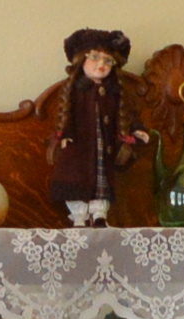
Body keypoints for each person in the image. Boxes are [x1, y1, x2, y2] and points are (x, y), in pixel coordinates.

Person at [46, 27, 142, 225]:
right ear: (81, 59)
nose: (101, 65)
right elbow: (66, 115)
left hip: (104, 149)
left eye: (108, 60)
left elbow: (126, 115)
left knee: (102, 181)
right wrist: (65, 134)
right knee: (76, 182)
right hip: (78, 148)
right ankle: (79, 217)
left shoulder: (116, 93)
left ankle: (99, 214)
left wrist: (136, 130)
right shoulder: (74, 91)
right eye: (95, 57)